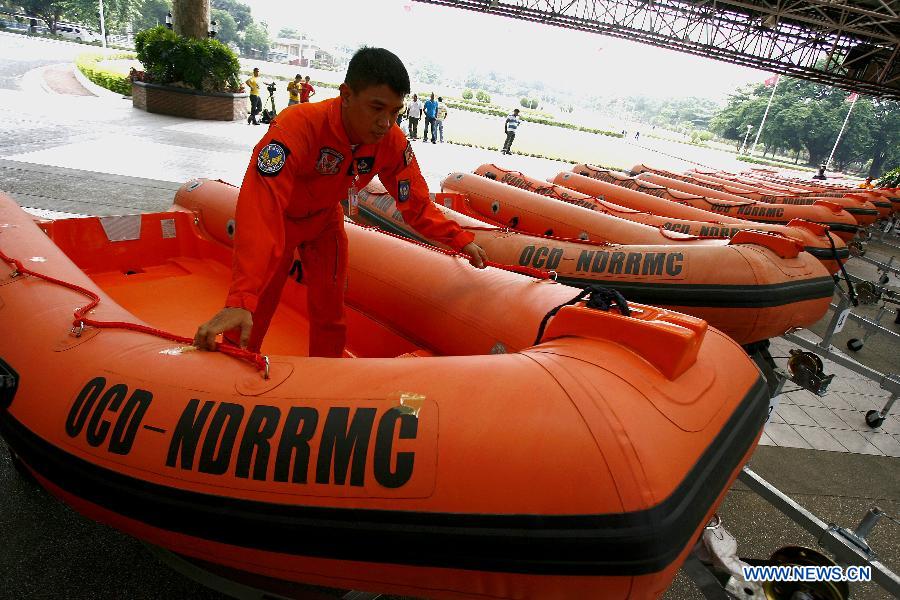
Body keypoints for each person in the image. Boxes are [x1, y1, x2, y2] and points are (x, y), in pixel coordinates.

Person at [193, 47, 488, 358]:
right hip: (281, 220)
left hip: (325, 223)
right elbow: (261, 207)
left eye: (395, 112)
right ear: (346, 95)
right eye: (377, 108)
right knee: (256, 305)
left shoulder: (391, 142)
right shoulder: (297, 126)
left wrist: (459, 238)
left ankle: (326, 375)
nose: (385, 123)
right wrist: (240, 300)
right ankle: (234, 365)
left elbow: (414, 202)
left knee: (331, 314)